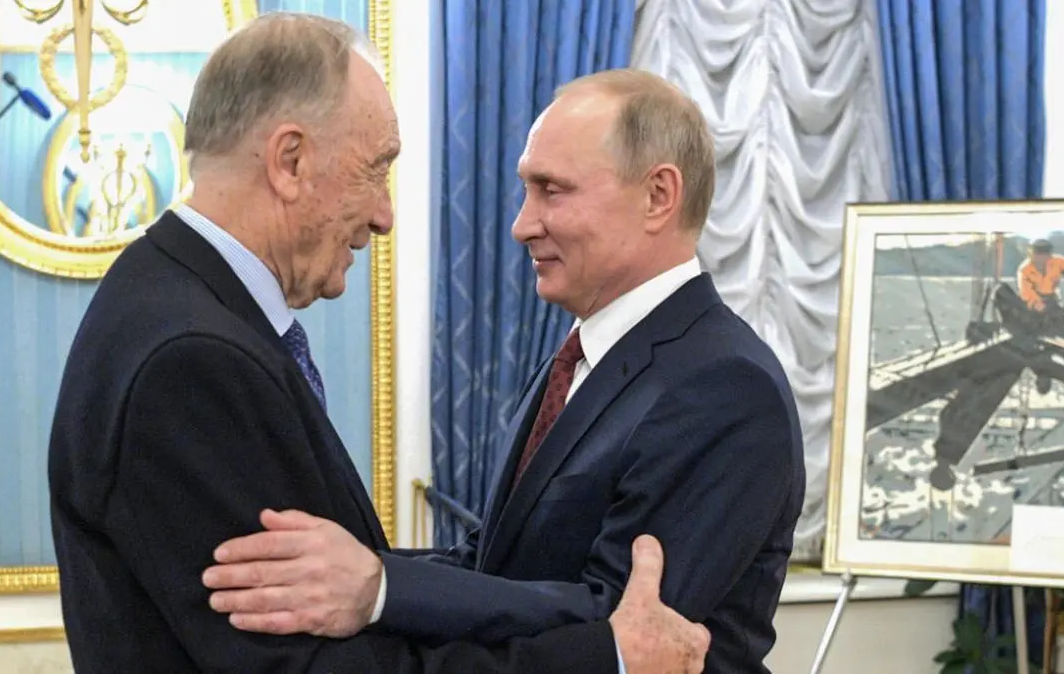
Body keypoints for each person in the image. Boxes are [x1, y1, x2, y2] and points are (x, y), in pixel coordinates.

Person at [46, 12, 710, 674]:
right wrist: (607, 656)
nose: (384, 215)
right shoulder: (192, 361)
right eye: (375, 170)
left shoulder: (170, 300)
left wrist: (380, 582)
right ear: (289, 161)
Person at [200, 68, 806, 673]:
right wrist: (331, 572)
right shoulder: (581, 357)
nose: (522, 225)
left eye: (552, 190)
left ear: (657, 196)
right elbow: (494, 565)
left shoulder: (726, 385)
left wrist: (380, 589)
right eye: (526, 190)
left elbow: (631, 627)